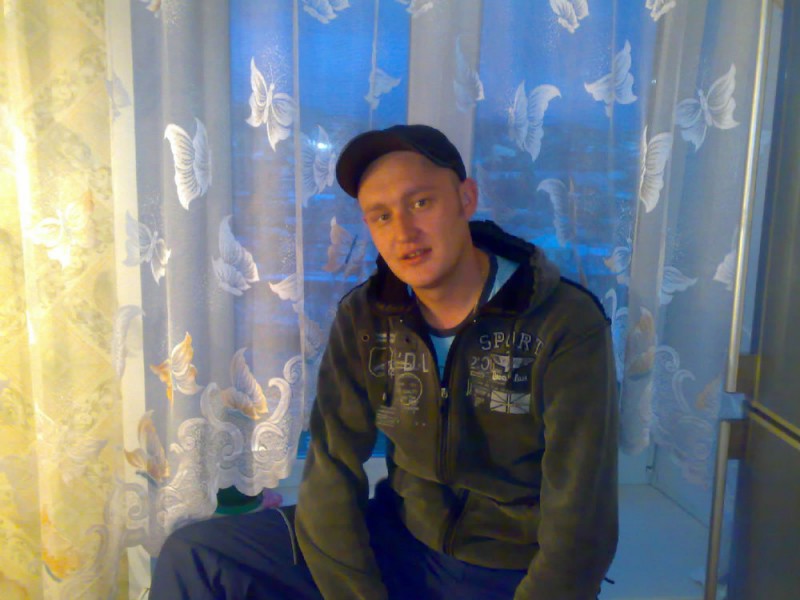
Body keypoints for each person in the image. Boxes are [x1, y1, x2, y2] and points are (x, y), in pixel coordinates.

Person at [150, 124, 618, 600]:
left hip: (507, 565)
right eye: (381, 216)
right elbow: (331, 470)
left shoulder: (561, 321)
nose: (404, 233)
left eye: (421, 203)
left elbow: (582, 510)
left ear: (466, 199)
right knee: (195, 555)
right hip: (397, 538)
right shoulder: (366, 316)